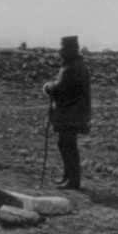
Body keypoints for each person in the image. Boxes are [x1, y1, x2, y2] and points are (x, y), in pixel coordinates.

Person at [42, 35, 92, 190]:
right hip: (70, 113)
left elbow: (61, 88)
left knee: (68, 145)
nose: (60, 51)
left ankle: (73, 181)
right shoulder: (72, 65)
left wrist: (48, 87)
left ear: (71, 49)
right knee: (64, 144)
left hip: (71, 114)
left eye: (63, 48)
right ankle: (68, 177)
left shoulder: (73, 67)